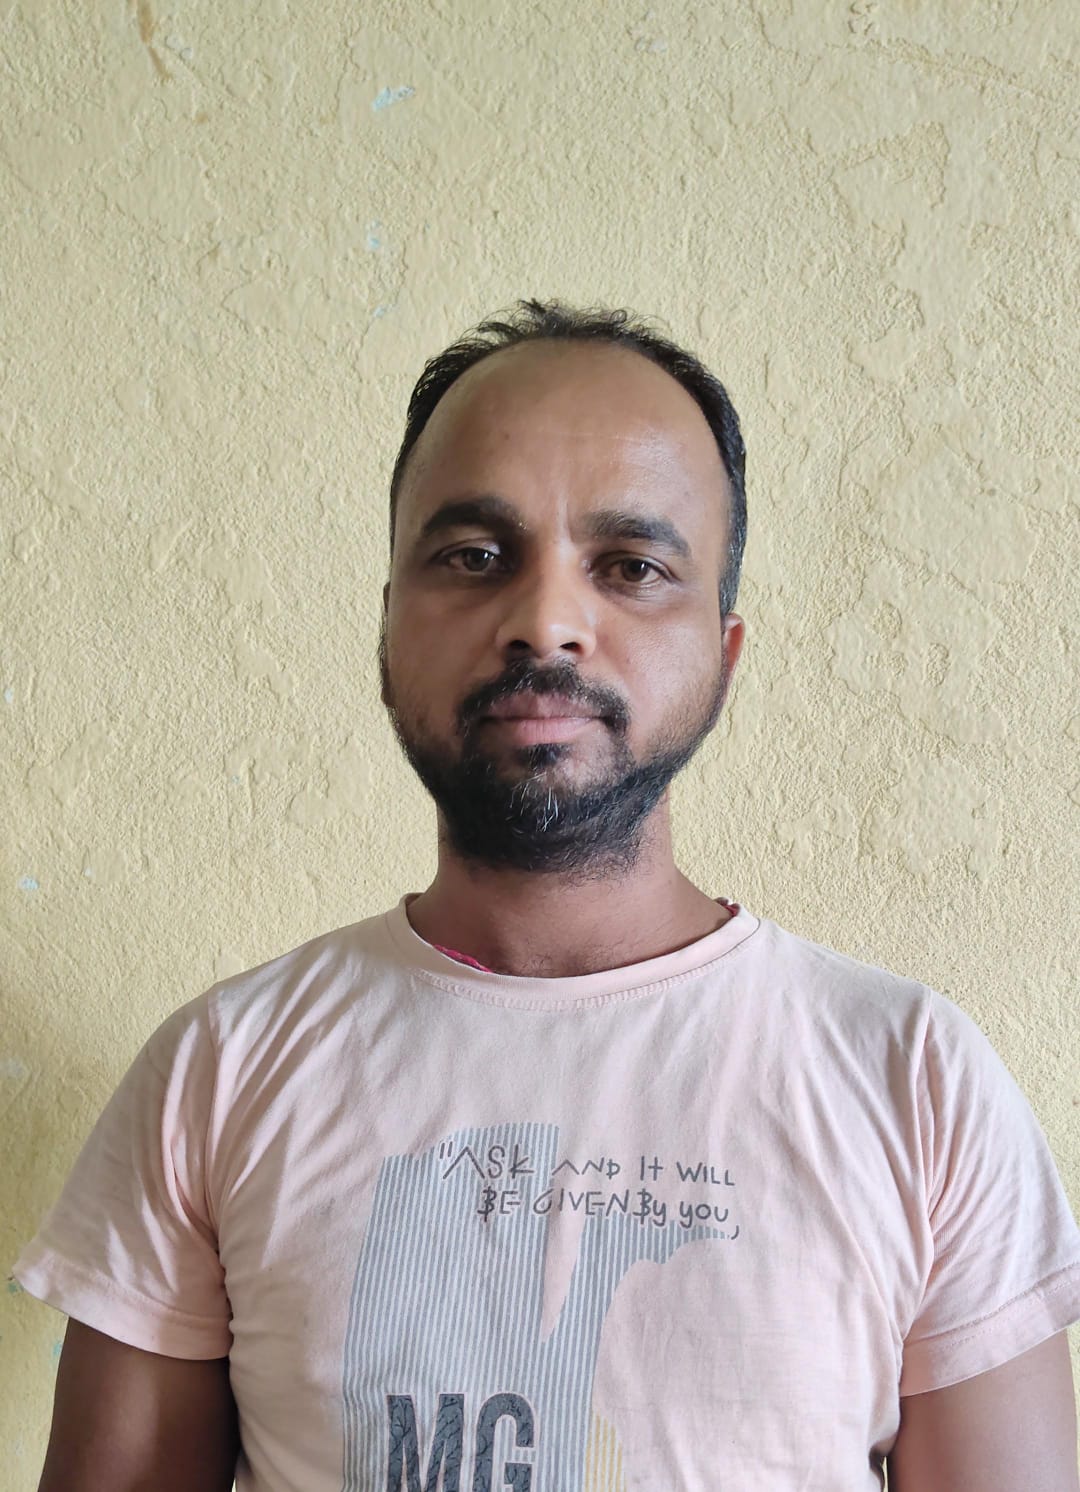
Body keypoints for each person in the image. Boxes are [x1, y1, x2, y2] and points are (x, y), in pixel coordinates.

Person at [13, 300, 1080, 1492]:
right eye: (475, 556)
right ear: (387, 630)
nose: (546, 622)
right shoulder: (222, 1070)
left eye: (632, 567)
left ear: (723, 655)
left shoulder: (914, 1081)